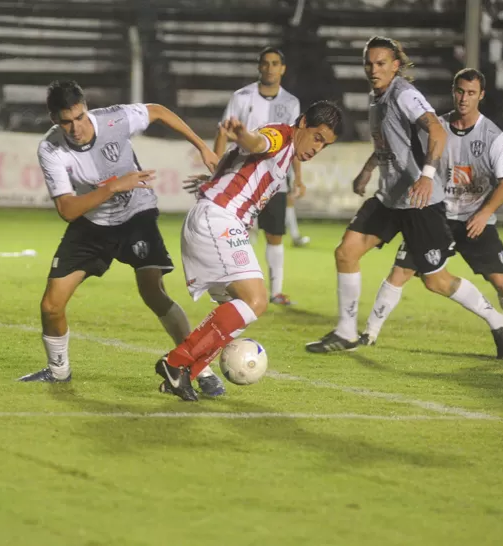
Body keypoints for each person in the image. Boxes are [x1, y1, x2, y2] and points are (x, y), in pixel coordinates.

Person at [305, 36, 503, 359]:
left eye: (380, 63)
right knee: (346, 253)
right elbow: (388, 144)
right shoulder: (377, 97)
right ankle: (346, 331)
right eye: (369, 63)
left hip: (421, 204)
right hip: (390, 199)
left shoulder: (404, 94)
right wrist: (367, 170)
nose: (373, 69)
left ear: (395, 66)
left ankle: (498, 320)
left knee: (437, 281)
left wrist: (426, 176)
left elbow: (436, 130)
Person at [17, 80, 227, 396]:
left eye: (79, 117)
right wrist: (113, 186)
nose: (75, 128)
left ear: (85, 108)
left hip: (136, 217)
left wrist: (202, 146)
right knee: (51, 305)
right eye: (66, 122)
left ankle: (201, 369)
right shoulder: (51, 149)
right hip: (91, 225)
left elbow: (157, 112)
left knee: (153, 292)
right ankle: (59, 372)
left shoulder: (113, 119)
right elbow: (67, 209)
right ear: (54, 121)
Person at [157, 100, 343, 401]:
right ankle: (176, 363)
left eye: (325, 145)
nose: (317, 148)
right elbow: (259, 142)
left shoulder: (286, 156)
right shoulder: (280, 136)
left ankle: (185, 374)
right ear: (303, 122)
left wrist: (218, 175)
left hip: (219, 220)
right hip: (216, 219)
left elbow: (241, 162)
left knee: (237, 313)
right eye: (317, 137)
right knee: (256, 300)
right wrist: (243, 135)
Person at [358, 68, 503, 350]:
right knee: (401, 271)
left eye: (471, 93)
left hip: (475, 218)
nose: (464, 98)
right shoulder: (434, 128)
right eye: (460, 91)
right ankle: (369, 334)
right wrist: (368, 170)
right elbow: (395, 146)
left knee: (501, 281)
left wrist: (485, 214)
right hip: (435, 214)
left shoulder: (492, 136)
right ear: (454, 91)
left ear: (481, 96)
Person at [214, 47, 307, 306]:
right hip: (241, 179)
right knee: (233, 233)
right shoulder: (241, 97)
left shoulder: (291, 103)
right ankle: (227, 287)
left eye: (275, 63)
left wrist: (297, 178)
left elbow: (295, 143)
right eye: (265, 63)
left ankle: (276, 290)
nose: (269, 68)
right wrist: (215, 168)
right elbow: (223, 132)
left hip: (273, 182)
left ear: (283, 69)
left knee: (274, 235)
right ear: (259, 66)